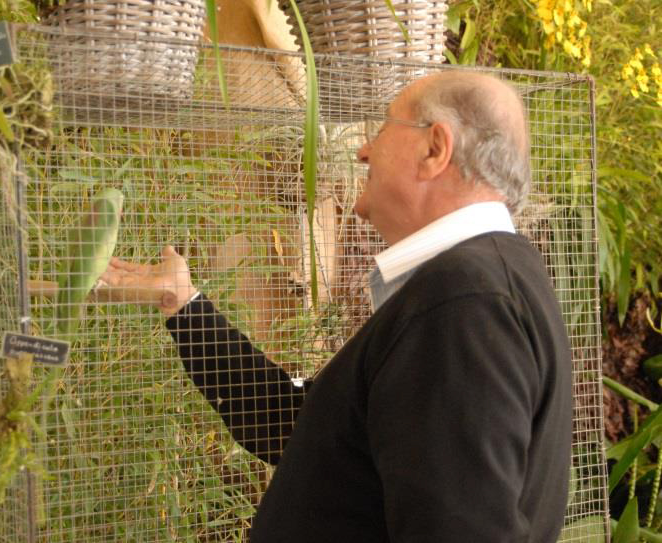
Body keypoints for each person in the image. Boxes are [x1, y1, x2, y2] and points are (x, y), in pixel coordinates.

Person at [99, 71, 572, 542]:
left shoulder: (466, 303)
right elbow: (306, 427)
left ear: (434, 150)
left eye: (383, 129)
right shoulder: (487, 285)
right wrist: (184, 304)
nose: (363, 151)